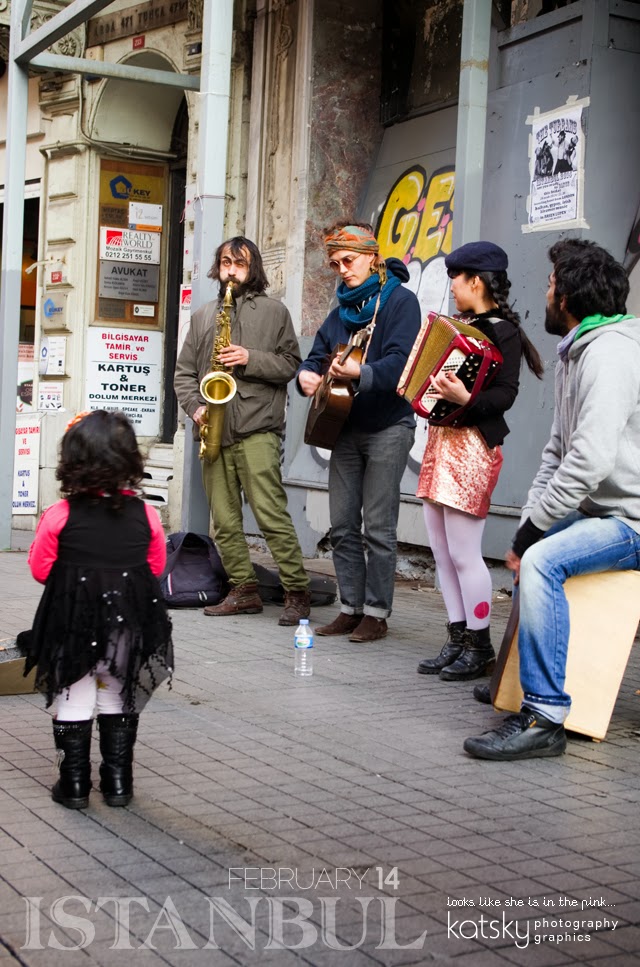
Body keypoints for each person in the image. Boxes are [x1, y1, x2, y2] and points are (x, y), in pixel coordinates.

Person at [464, 238, 640, 760]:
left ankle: (543, 717)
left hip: (631, 518)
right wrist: (527, 521)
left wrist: (531, 536)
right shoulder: (577, 351)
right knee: (529, 551)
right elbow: (557, 451)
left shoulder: (610, 354)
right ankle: (513, 683)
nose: (544, 294)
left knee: (540, 560)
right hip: (598, 509)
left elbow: (589, 462)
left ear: (568, 297)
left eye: (549, 285)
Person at [17, 410, 173, 809]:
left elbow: (40, 570)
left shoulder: (59, 515)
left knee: (75, 695)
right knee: (119, 694)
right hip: (128, 626)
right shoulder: (147, 515)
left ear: (72, 461)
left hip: (73, 624)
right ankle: (118, 783)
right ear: (129, 461)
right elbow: (153, 568)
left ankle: (73, 786)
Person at [416, 242, 544, 681]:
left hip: (472, 447)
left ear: (476, 281)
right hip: (440, 442)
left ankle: (481, 644)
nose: (450, 285)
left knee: (466, 554)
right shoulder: (459, 326)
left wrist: (464, 398)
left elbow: (505, 396)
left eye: (456, 277)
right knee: (441, 551)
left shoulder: (502, 330)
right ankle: (457, 638)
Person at [174, 236, 311, 626]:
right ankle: (243, 590)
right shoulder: (202, 317)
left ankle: (297, 592)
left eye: (240, 263)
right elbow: (184, 374)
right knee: (225, 520)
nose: (231, 271)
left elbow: (290, 365)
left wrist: (251, 358)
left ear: (253, 269)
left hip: (257, 429)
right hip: (213, 428)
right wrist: (196, 408)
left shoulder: (274, 311)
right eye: (225, 263)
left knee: (271, 515)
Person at [297, 222, 421, 642]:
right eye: (335, 264)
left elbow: (402, 365)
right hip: (344, 429)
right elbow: (313, 358)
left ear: (372, 255)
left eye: (348, 260)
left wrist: (360, 372)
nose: (342, 270)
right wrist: (306, 377)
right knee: (343, 525)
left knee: (379, 527)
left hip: (389, 425)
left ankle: (376, 612)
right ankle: (349, 607)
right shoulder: (338, 315)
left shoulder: (401, 303)